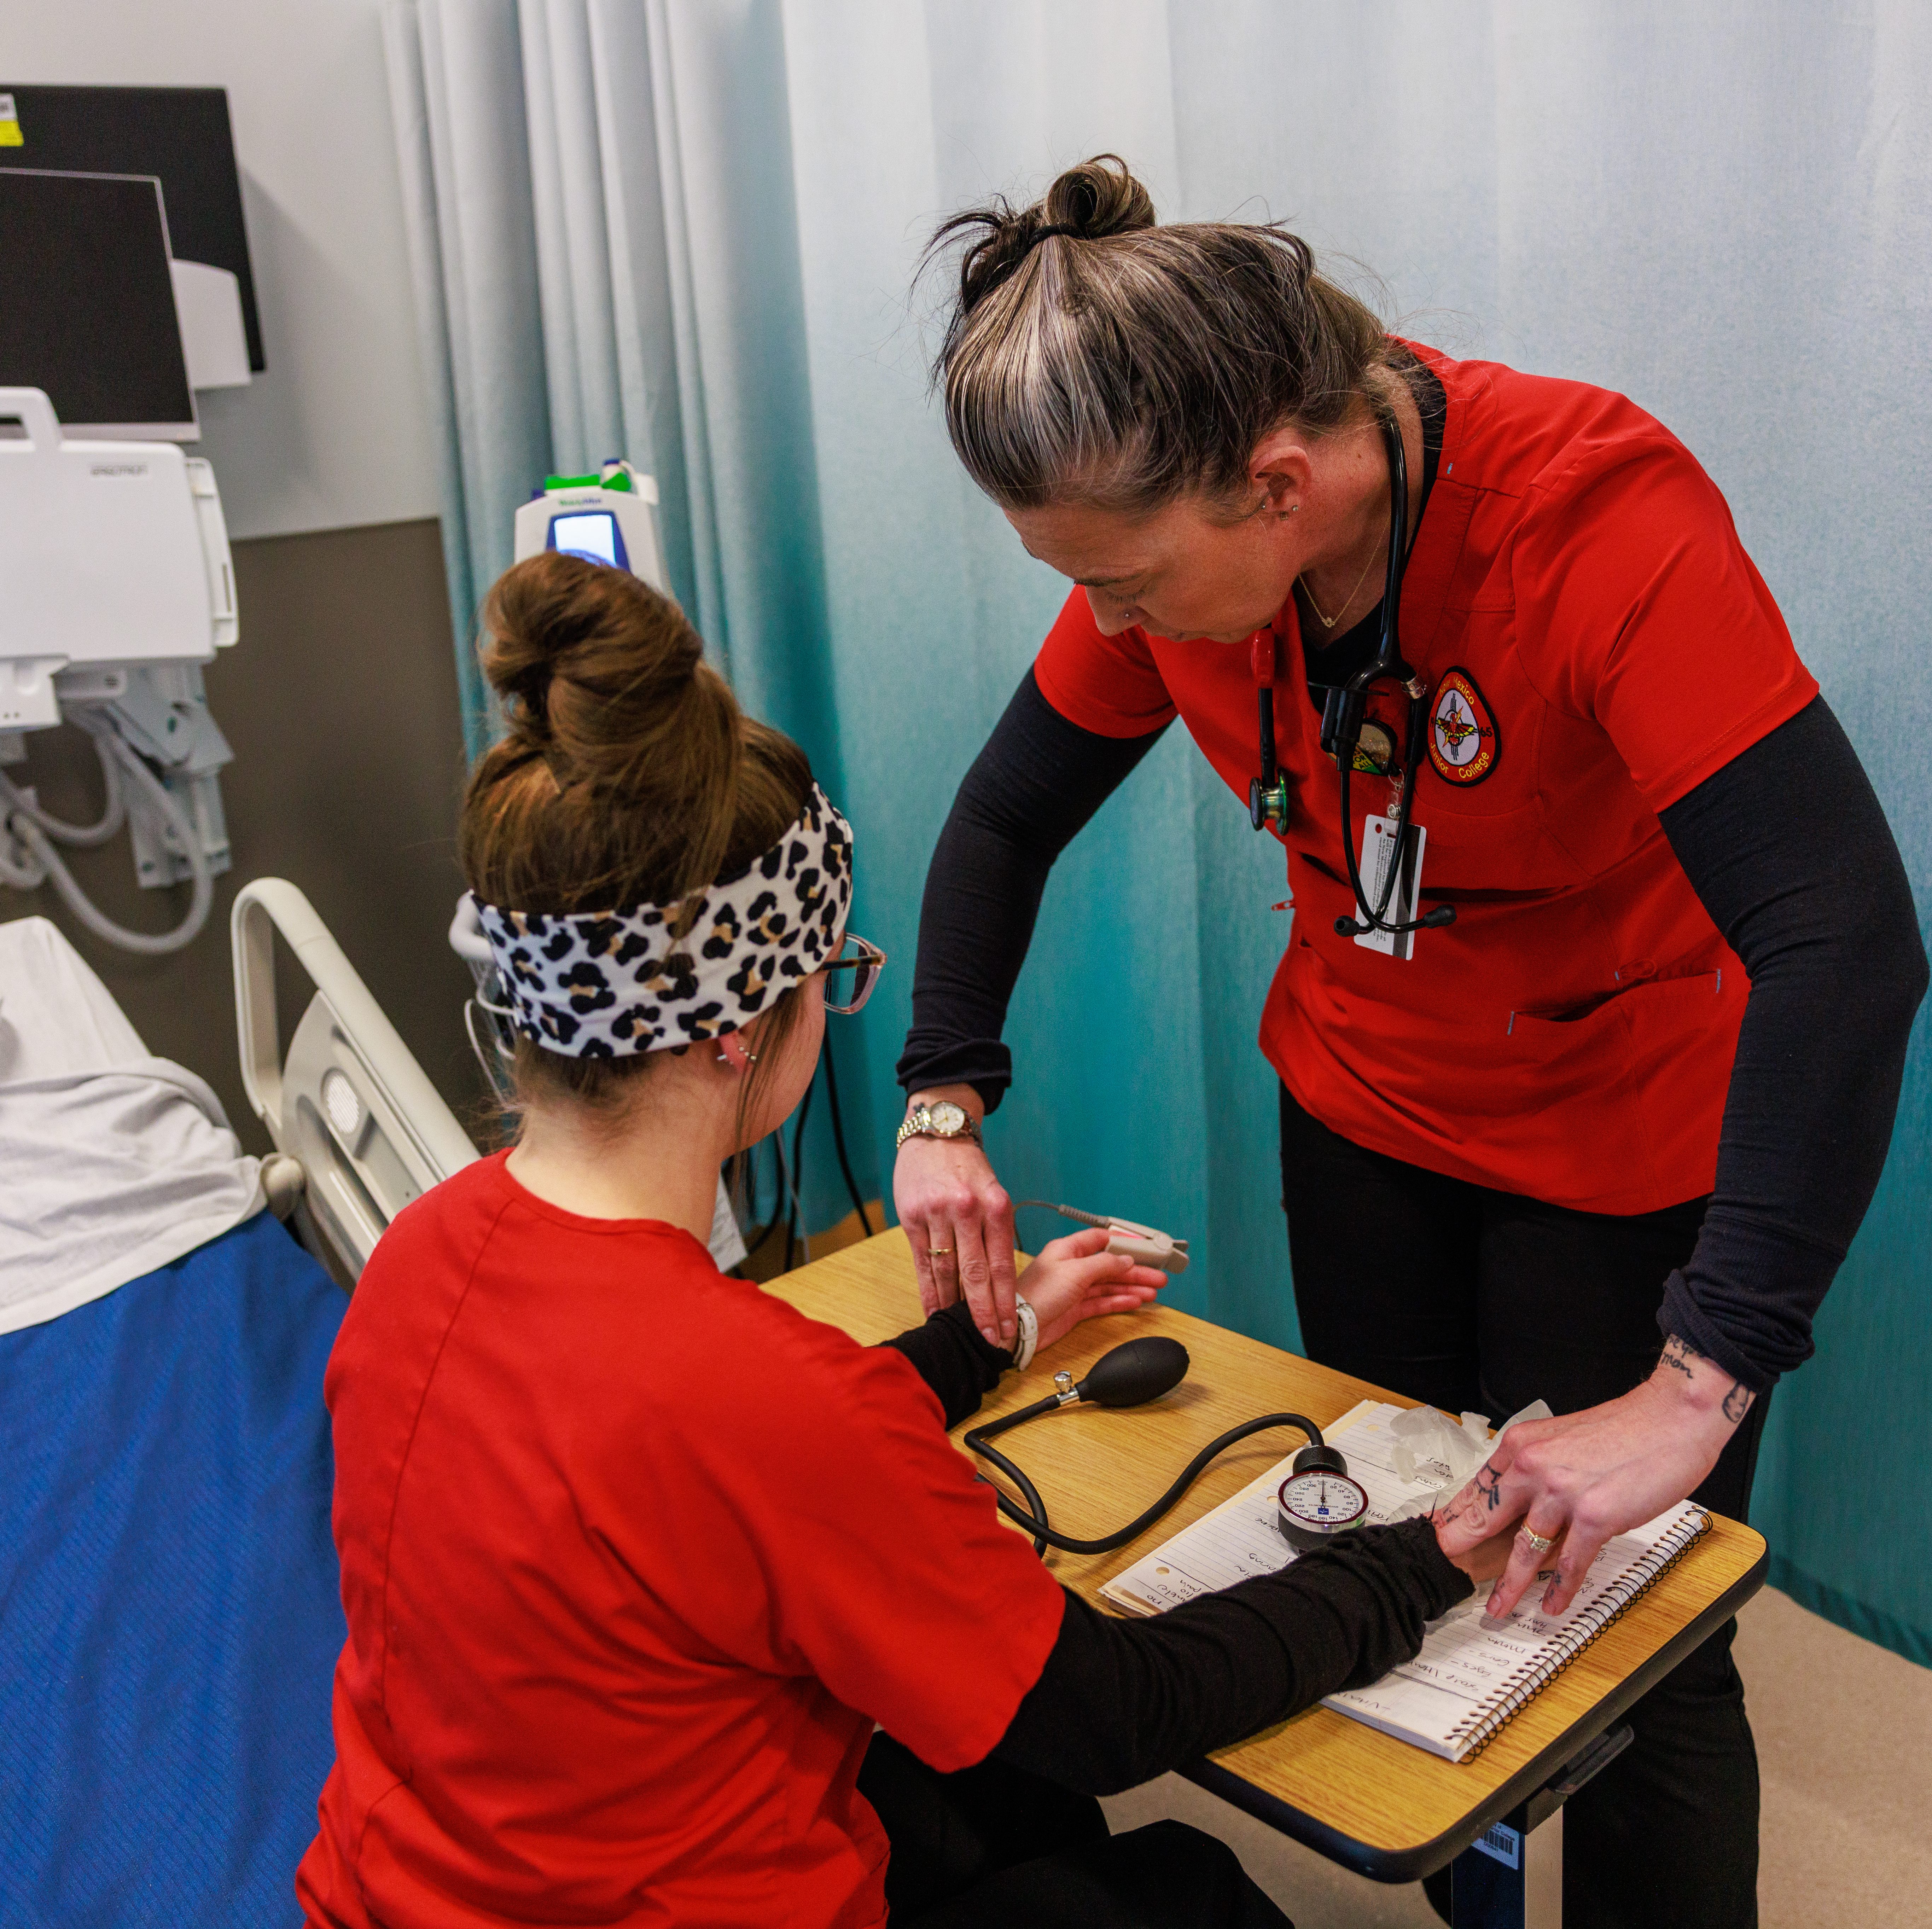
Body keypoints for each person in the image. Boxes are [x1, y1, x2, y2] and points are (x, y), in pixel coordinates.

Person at [892, 156, 1927, 1928]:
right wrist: (942, 1090)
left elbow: (1845, 940)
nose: (1114, 630)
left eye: (1130, 585)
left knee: (1635, 1639)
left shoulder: (1593, 519)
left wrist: (1699, 1381)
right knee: (1416, 1553)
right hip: (1366, 1121)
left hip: (1613, 1156)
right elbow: (1004, 817)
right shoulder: (1178, 538)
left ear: (1280, 484)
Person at [295, 551, 1520, 1929]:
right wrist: (1425, 1557)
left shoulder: (424, 1249)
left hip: (407, 1890)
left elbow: (689, 1474)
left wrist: (996, 1328)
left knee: (996, 1804)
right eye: (837, 974)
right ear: (734, 1024)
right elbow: (1120, 1709)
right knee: (1180, 1884)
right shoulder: (756, 1398)